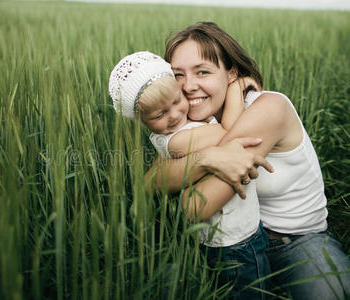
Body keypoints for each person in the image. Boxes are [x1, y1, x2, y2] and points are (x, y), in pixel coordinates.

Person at [145, 21, 350, 299]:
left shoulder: (269, 108)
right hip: (228, 243)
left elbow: (193, 207)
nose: (189, 86)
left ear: (231, 73)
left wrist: (196, 162)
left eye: (203, 72)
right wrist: (208, 157)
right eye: (177, 75)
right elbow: (148, 183)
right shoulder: (187, 119)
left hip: (293, 241)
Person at [108, 51, 271, 299]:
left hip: (238, 231)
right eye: (159, 115)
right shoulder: (177, 141)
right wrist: (235, 87)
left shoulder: (187, 124)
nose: (174, 115)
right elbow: (230, 131)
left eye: (176, 101)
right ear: (141, 121)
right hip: (233, 241)